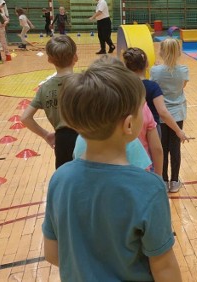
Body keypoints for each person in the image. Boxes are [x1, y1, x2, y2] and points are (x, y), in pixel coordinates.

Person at [43, 56, 181, 281]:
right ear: (128, 125)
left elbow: (52, 253)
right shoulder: (148, 188)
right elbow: (164, 267)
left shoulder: (60, 179)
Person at [123, 47, 189, 177]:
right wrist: (178, 130)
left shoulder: (124, 86)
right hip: (150, 127)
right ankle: (159, 180)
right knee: (154, 154)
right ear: (147, 65)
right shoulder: (152, 87)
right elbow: (163, 112)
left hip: (129, 126)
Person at [21, 35, 78, 169]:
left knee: (65, 181)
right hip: (88, 139)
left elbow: (25, 118)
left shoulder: (45, 88)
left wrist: (46, 135)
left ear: (49, 59)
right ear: (75, 56)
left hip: (62, 142)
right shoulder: (85, 81)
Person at [150, 38, 190, 193]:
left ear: (161, 52)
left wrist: (157, 69)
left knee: (162, 148)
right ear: (178, 52)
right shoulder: (184, 70)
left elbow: (154, 86)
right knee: (175, 148)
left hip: (160, 114)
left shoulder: (155, 71)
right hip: (178, 114)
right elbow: (182, 86)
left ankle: (164, 180)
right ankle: (174, 181)